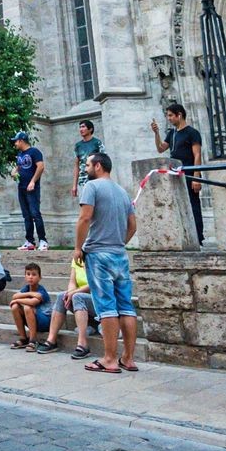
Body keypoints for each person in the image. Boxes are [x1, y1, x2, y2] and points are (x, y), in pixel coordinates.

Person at [75, 153, 138, 374]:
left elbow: (84, 218)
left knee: (107, 308)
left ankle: (109, 359)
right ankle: (128, 358)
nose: (85, 169)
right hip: (119, 254)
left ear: (98, 166)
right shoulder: (122, 192)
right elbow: (133, 225)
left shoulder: (92, 187)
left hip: (99, 253)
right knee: (126, 307)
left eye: (88, 165)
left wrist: (78, 247)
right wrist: (120, 242)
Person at [151, 103, 204, 245]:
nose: (168, 118)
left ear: (179, 115)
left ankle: (198, 237)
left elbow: (197, 155)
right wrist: (156, 134)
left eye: (170, 115)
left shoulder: (192, 133)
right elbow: (161, 148)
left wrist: (196, 177)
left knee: (193, 205)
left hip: (189, 173)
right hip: (176, 175)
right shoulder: (172, 133)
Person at [35, 260, 94, 357]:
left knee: (77, 296)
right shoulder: (77, 258)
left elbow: (95, 284)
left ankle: (83, 344)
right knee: (61, 296)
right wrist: (70, 293)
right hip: (81, 299)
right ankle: (51, 340)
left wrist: (74, 293)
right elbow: (72, 281)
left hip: (99, 301)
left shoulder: (97, 256)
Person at [10, 131, 47, 251]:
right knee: (26, 215)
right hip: (21, 187)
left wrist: (33, 181)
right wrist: (14, 171)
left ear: (21, 140)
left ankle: (43, 240)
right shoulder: (20, 154)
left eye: (16, 141)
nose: (15, 143)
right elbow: (19, 166)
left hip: (32, 188)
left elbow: (40, 166)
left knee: (35, 213)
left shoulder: (34, 152)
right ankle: (30, 241)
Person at [8, 263, 51, 351]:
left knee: (27, 307)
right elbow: (14, 296)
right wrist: (30, 293)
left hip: (45, 321)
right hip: (32, 319)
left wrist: (17, 300)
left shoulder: (41, 290)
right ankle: (24, 338)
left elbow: (32, 302)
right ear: (25, 277)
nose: (30, 277)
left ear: (40, 277)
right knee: (15, 307)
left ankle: (33, 340)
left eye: (34, 274)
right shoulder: (26, 288)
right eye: (28, 274)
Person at [71, 120, 104, 198]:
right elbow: (76, 166)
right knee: (84, 204)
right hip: (82, 182)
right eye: (80, 127)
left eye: (83, 127)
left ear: (90, 129)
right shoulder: (78, 146)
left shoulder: (97, 143)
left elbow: (104, 162)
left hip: (96, 179)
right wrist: (74, 185)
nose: (81, 129)